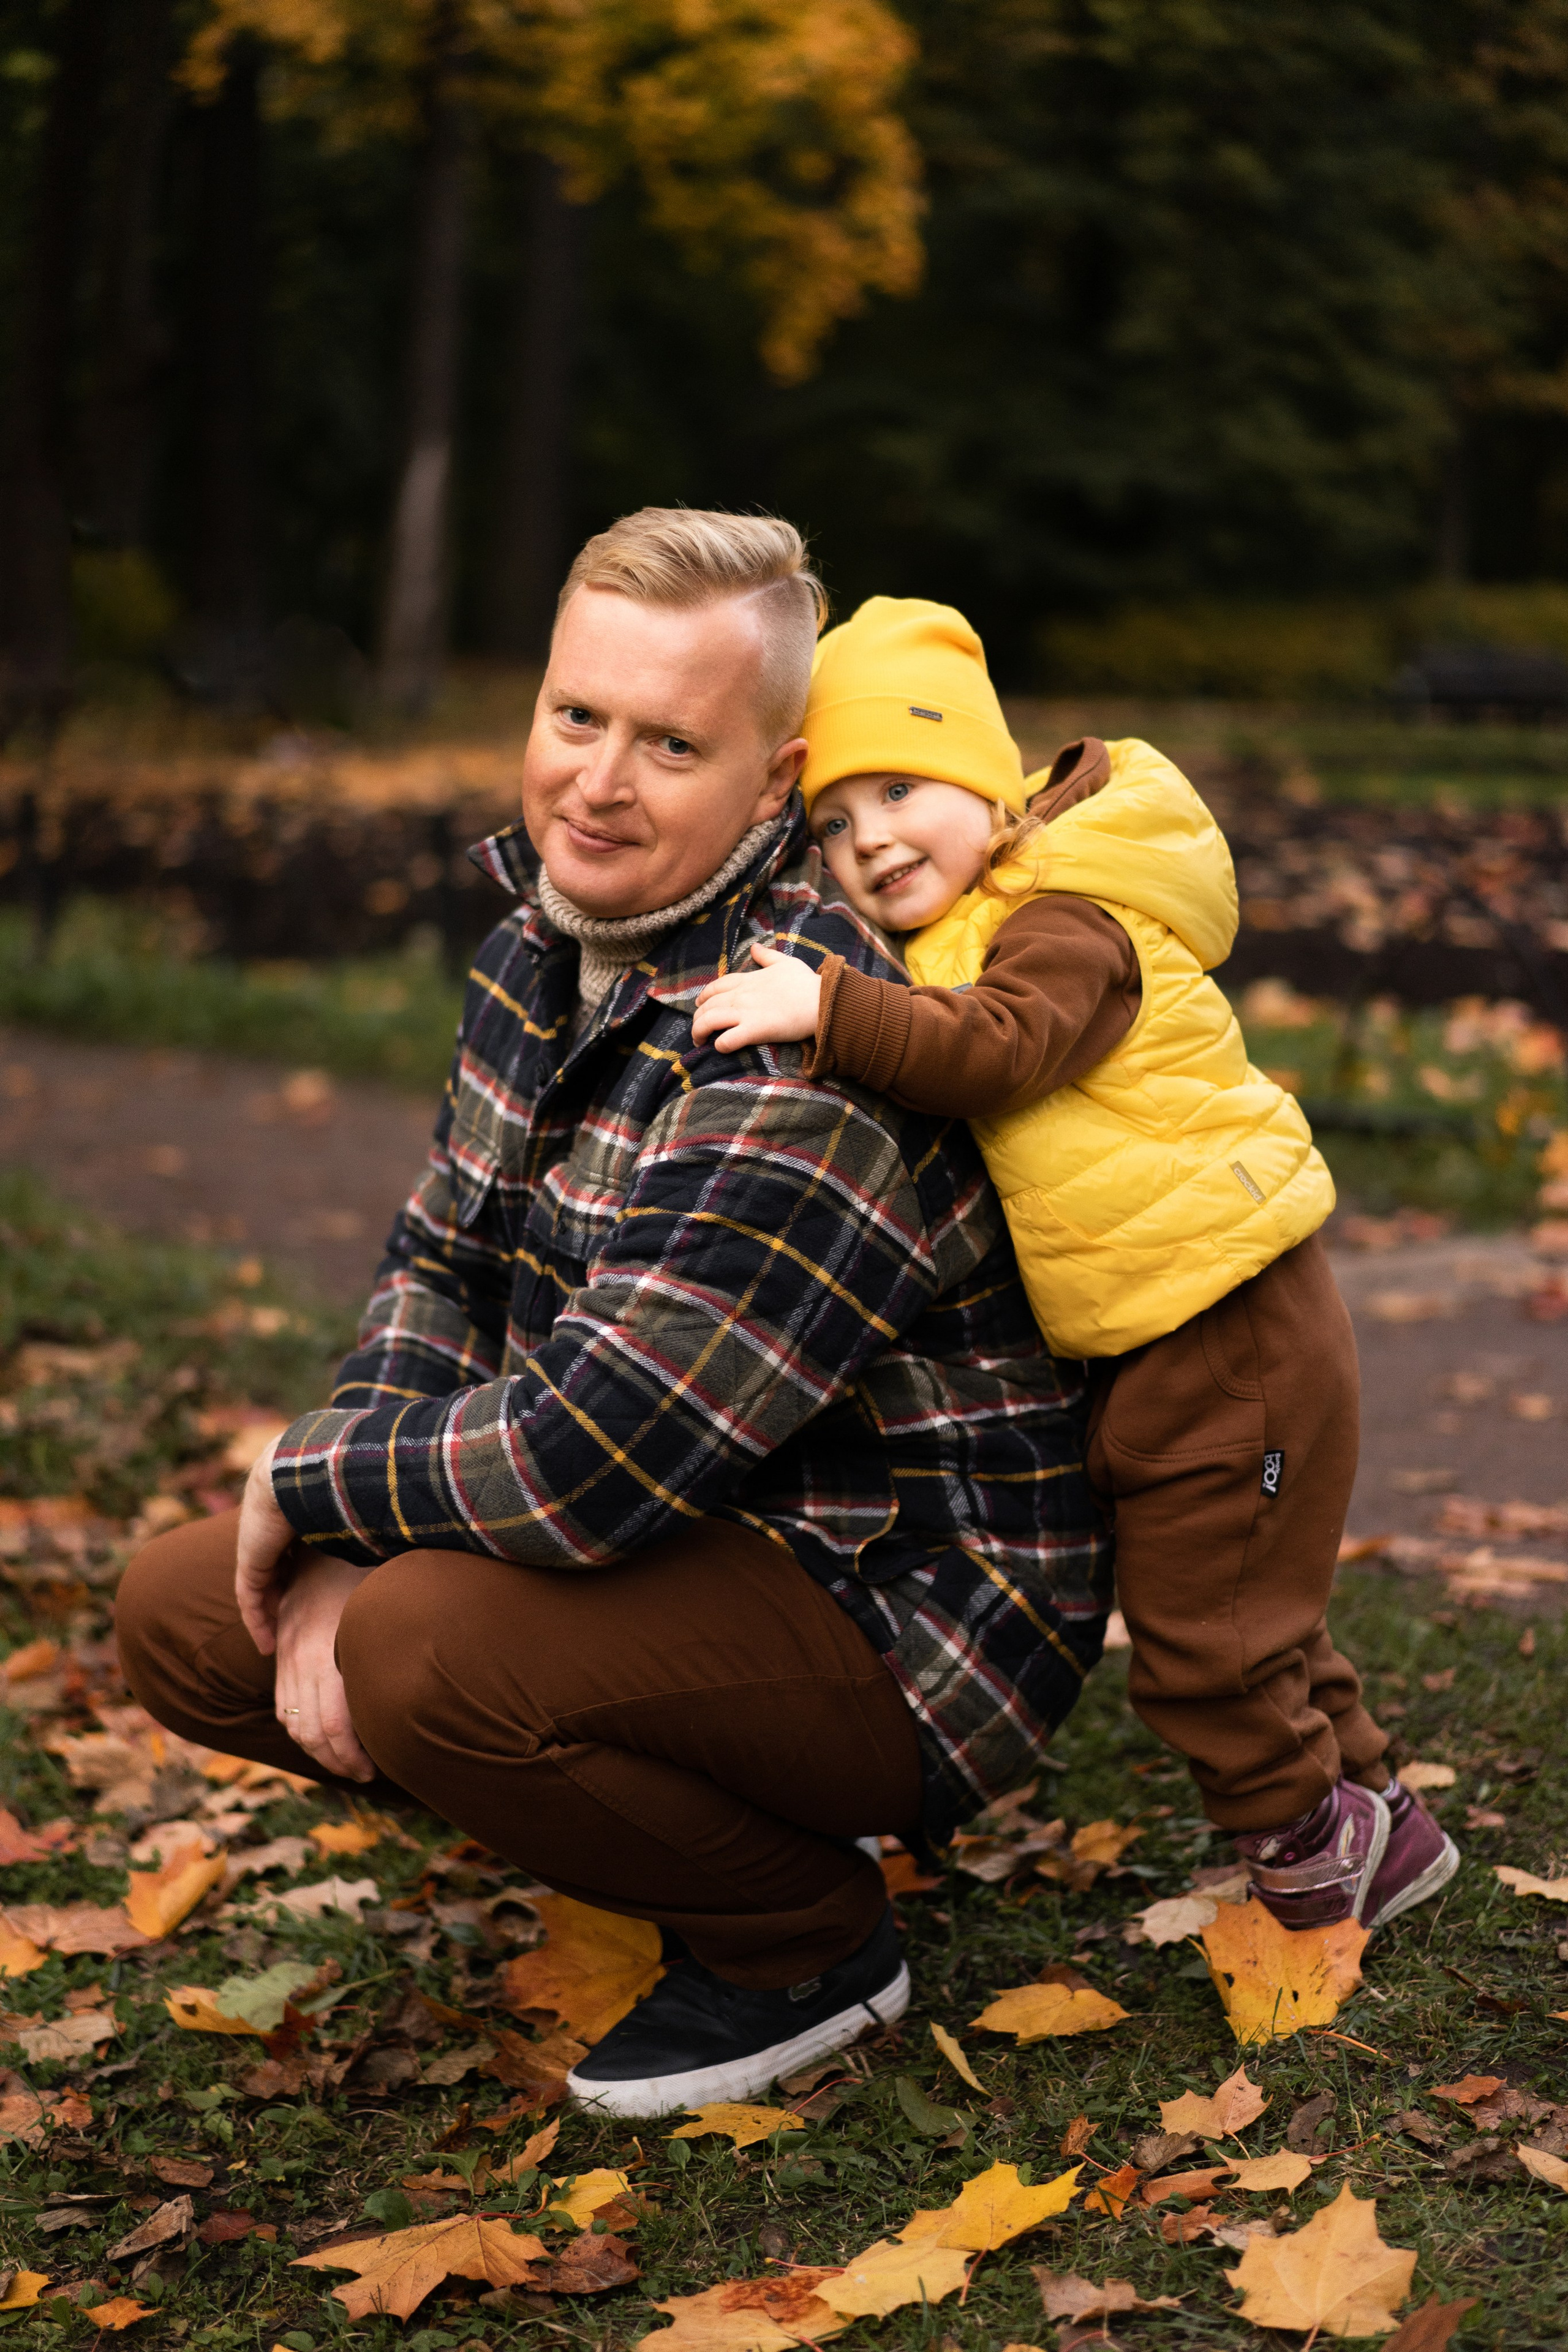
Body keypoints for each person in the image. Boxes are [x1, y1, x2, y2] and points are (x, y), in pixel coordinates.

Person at [115, 515, 1112, 2120]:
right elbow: (445, 1263)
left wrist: (314, 1487)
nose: (598, 779)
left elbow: (593, 1461)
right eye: (577, 716)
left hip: (900, 1618)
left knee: (414, 1643)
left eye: (671, 743)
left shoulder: (801, 1029)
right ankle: (676, 1802)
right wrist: (345, 1519)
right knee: (190, 1612)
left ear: (773, 783)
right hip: (688, 1540)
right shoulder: (540, 946)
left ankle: (808, 1939)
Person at [693, 594, 1459, 1934]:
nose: (866, 839)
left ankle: (1304, 1854)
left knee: (1199, 1642)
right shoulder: (975, 922)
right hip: (1179, 1339)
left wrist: (828, 1009)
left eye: (896, 788)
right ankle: (1376, 1820)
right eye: (831, 821)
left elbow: (993, 1048)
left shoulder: (1062, 923)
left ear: (986, 781)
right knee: (1251, 1611)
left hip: (1235, 1344)